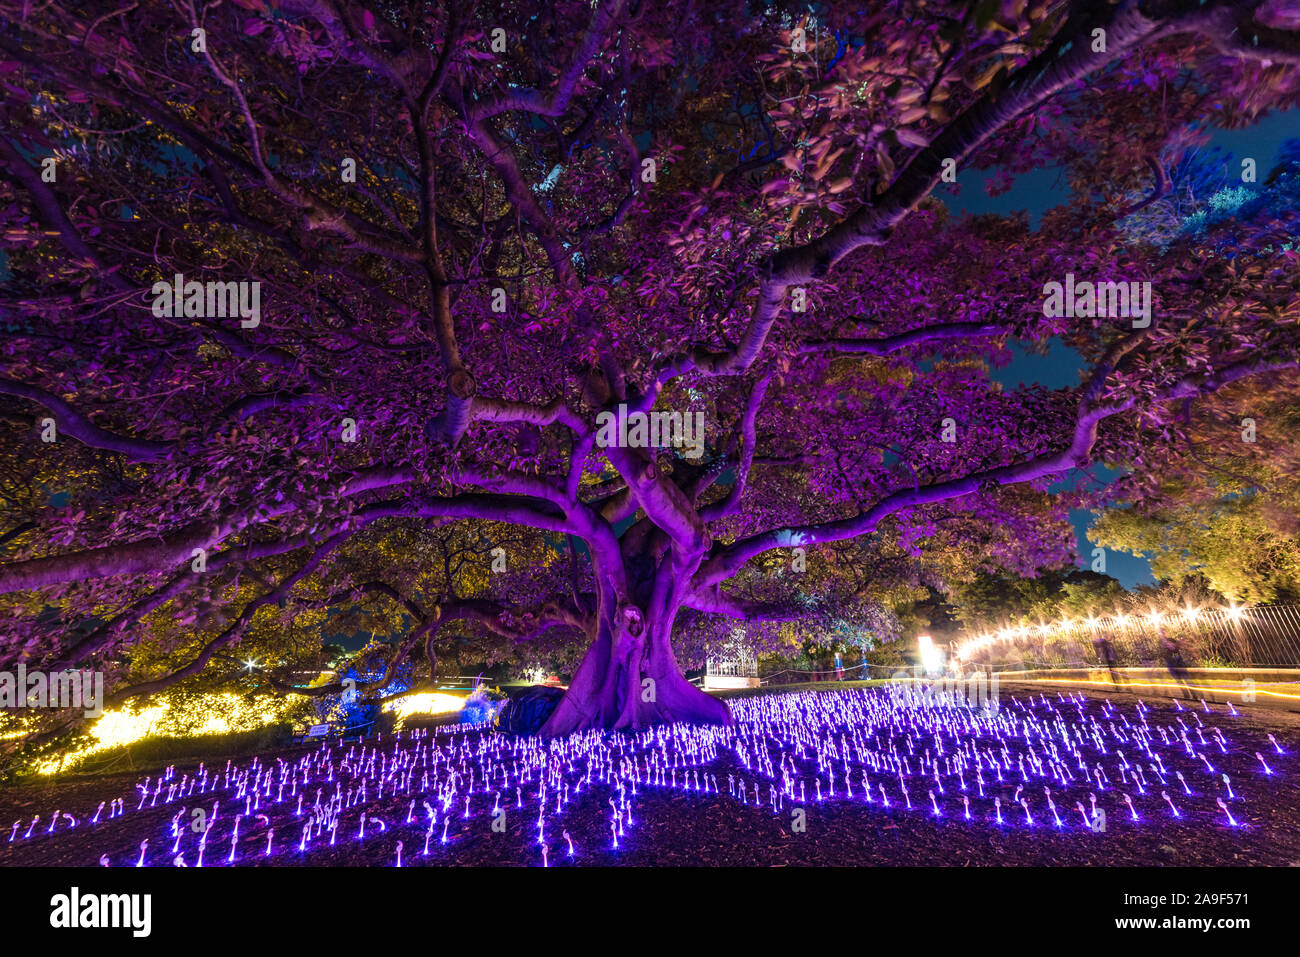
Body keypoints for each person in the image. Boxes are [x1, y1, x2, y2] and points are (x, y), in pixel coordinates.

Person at [1159, 628, 1193, 700]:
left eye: (1163, 632)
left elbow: (1175, 647)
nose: (1162, 634)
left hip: (1179, 663)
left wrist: (1179, 643)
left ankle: (1194, 694)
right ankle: (1186, 695)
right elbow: (1162, 653)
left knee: (1186, 679)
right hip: (1170, 664)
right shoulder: (1160, 644)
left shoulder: (1171, 640)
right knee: (1179, 680)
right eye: (1161, 633)